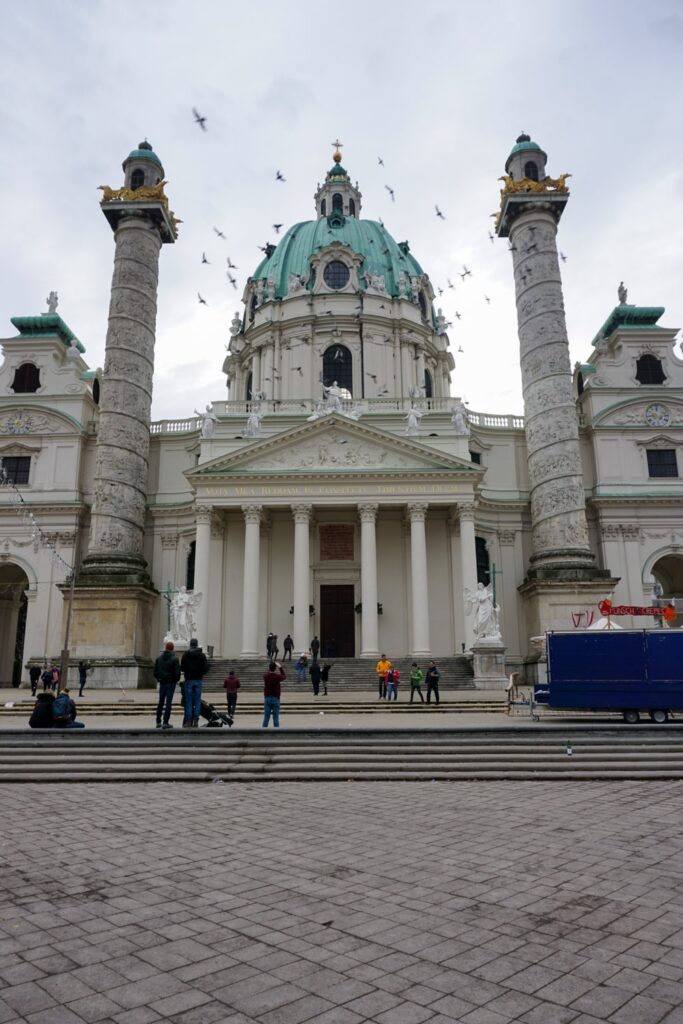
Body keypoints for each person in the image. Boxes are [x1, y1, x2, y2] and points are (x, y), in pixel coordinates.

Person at [180, 638, 209, 728]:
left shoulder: (186, 655)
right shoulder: (202, 655)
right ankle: (196, 720)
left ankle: (189, 720)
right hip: (198, 679)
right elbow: (205, 668)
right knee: (197, 701)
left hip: (189, 679)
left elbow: (182, 668)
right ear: (196, 644)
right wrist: (200, 673)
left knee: (189, 701)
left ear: (190, 645)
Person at [153, 641, 181, 729]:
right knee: (168, 703)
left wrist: (159, 679)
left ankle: (158, 721)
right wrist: (175, 680)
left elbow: (155, 673)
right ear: (172, 649)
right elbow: (177, 673)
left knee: (160, 702)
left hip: (162, 683)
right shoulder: (175, 659)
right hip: (171, 683)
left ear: (165, 648)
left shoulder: (158, 659)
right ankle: (166, 721)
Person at [263, 660, 286, 728]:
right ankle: (276, 732)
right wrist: (280, 667)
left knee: (266, 717)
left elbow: (268, 673)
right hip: (276, 698)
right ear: (275, 669)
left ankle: (264, 730)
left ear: (269, 668)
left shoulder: (265, 676)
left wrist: (272, 666)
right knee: (276, 717)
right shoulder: (277, 677)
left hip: (267, 698)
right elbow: (284, 676)